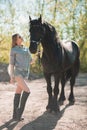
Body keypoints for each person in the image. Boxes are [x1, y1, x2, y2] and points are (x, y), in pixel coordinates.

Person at [8, 33, 32, 121]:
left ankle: (15, 115)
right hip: (17, 73)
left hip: (25, 73)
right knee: (27, 91)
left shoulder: (26, 49)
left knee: (18, 92)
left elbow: (31, 61)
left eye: (21, 36)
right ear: (15, 40)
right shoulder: (13, 50)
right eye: (19, 37)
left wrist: (37, 55)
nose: (21, 37)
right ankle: (19, 114)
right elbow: (11, 64)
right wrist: (11, 76)